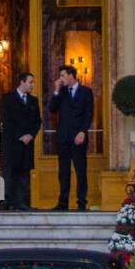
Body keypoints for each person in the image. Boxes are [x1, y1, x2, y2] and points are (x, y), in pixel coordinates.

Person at [48, 65, 94, 211]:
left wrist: (83, 131)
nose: (60, 79)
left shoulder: (86, 92)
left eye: (62, 75)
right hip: (63, 138)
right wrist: (56, 91)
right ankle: (63, 203)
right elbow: (52, 109)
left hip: (79, 138)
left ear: (71, 75)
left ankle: (81, 203)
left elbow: (89, 114)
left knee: (80, 172)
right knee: (63, 172)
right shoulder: (61, 92)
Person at [0, 72, 40, 211]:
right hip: (11, 143)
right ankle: (6, 201)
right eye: (30, 82)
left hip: (27, 144)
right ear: (22, 82)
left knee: (24, 173)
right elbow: (6, 120)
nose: (32, 85)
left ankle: (21, 202)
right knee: (9, 172)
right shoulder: (7, 99)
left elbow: (37, 121)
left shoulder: (33, 101)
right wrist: (20, 136)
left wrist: (30, 135)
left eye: (33, 82)